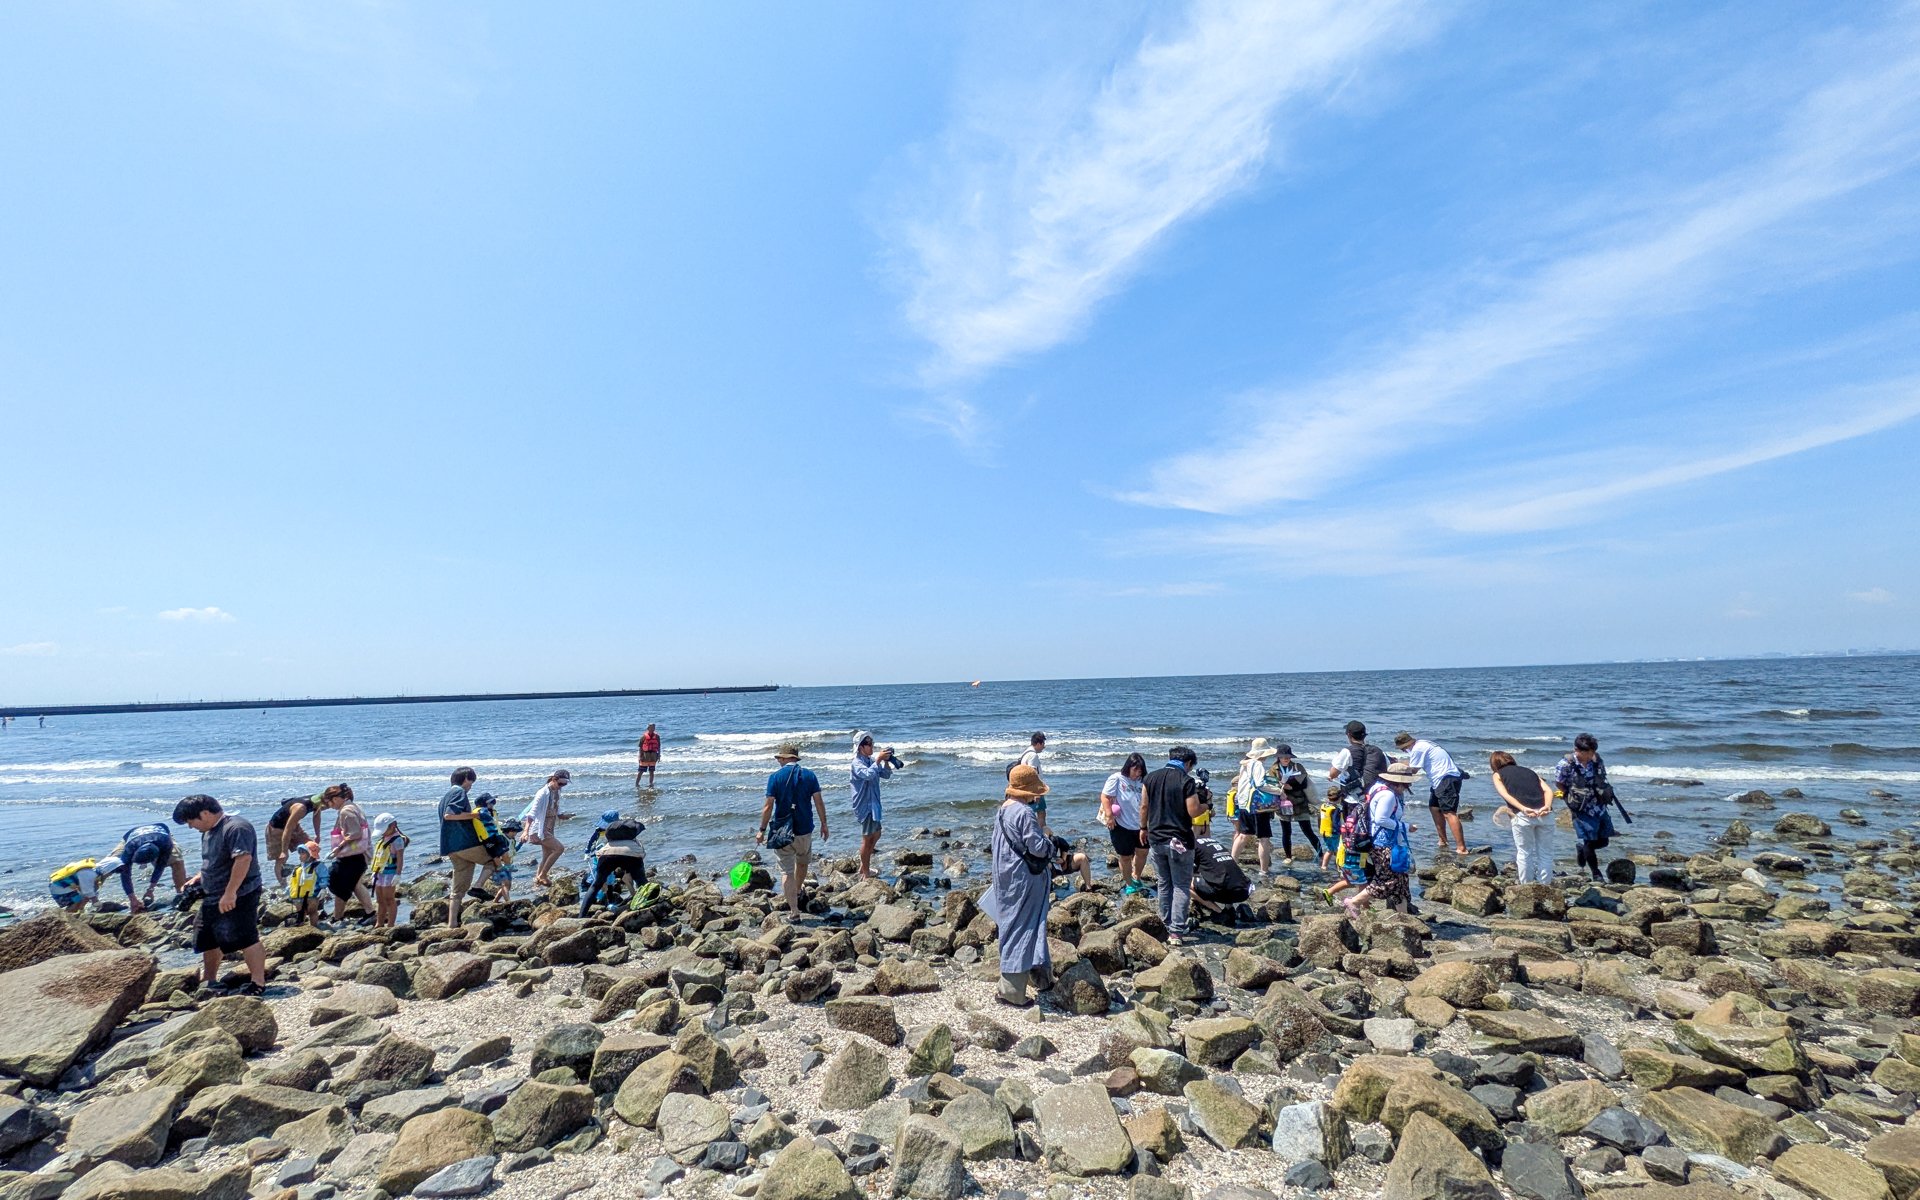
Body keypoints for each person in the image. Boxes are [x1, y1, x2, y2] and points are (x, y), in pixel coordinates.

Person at [172, 794, 266, 995]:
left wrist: (230, 893)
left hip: (241, 893)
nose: (190, 826)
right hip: (213, 894)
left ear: (205, 813)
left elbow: (243, 860)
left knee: (246, 937)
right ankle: (210, 979)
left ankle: (258, 983)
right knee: (208, 937)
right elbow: (215, 860)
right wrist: (198, 877)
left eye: (191, 821)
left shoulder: (236, 828)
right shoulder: (208, 831)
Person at [991, 764, 1056, 1006]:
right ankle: (1013, 992)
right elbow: (1037, 848)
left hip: (1005, 875)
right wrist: (1051, 844)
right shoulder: (1025, 812)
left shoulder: (1003, 809)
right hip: (1024, 877)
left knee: (1013, 923)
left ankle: (1042, 977)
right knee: (1023, 926)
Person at [1342, 761, 1419, 922]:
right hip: (1383, 844)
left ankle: (1404, 918)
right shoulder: (1388, 795)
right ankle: (1354, 901)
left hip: (1385, 842)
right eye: (1406, 784)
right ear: (1399, 782)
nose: (1408, 787)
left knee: (1401, 881)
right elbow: (1381, 819)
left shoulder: (1377, 787)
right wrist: (1406, 827)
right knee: (1387, 881)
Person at [758, 743, 829, 918]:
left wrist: (762, 830)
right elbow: (819, 802)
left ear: (784, 759)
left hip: (782, 830)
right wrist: (824, 824)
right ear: (795, 759)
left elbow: (768, 806)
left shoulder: (775, 777)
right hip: (804, 829)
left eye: (779, 758)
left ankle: (794, 911)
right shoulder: (810, 776)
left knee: (787, 872)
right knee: (803, 862)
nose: (778, 761)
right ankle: (797, 889)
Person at [1142, 747, 1204, 947]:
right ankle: (1176, 931)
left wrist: (1143, 828)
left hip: (1156, 838)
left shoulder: (1150, 778)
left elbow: (1144, 806)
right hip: (1179, 841)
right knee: (1181, 885)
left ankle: (1165, 923)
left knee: (1163, 883)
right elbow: (1193, 811)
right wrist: (1207, 806)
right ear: (1188, 763)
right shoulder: (1186, 781)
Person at [1395, 731, 1469, 856]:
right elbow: (1415, 764)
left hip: (1446, 779)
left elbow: (1414, 770)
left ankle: (1461, 848)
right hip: (1441, 780)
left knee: (1449, 813)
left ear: (1408, 744)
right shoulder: (1423, 744)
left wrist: (1396, 765)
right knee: (1434, 808)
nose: (1403, 751)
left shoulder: (1418, 748)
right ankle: (1443, 840)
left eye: (1403, 748)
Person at [1556, 733, 1615, 881]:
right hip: (1581, 807)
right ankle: (1596, 873)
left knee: (1604, 840)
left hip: (1599, 805)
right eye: (1587, 752)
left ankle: (1582, 850)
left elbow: (1602, 778)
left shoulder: (1597, 760)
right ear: (1577, 749)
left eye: (1592, 751)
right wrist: (1570, 796)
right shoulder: (1566, 764)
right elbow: (1559, 783)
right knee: (1589, 840)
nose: (1590, 755)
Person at [440, 767, 494, 926]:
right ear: (465, 779)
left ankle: (452, 924)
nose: (471, 786)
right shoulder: (459, 792)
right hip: (465, 843)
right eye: (471, 782)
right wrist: (476, 815)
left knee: (458, 890)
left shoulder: (444, 797)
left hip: (451, 847)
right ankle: (478, 887)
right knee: (494, 860)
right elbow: (449, 815)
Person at [1490, 751, 1554, 883]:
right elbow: (1548, 790)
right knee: (1545, 853)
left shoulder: (1498, 775)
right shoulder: (1530, 771)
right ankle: (1544, 885)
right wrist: (1547, 806)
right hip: (1545, 814)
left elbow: (1505, 795)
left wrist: (1523, 808)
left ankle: (1526, 885)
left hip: (1523, 815)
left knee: (1524, 853)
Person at [102, 821, 188, 912]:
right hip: (132, 837)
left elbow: (160, 866)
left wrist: (150, 889)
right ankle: (93, 898)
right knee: (109, 865)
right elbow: (125, 874)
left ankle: (181, 894)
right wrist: (132, 898)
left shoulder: (166, 843)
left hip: (161, 834)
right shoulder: (129, 849)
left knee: (176, 861)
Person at [1228, 739, 1281, 880]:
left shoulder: (1245, 763)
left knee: (1243, 835)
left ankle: (1232, 864)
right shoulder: (1257, 765)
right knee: (1264, 839)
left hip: (1244, 804)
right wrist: (1278, 791)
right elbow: (1260, 784)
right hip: (1257, 807)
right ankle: (1264, 871)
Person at [321, 786, 374, 922]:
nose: (329, 806)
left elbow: (355, 834)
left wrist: (338, 847)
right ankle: (369, 913)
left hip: (354, 854)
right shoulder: (353, 806)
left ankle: (338, 917)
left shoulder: (346, 811)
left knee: (338, 882)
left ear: (335, 799)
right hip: (362, 853)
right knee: (355, 884)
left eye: (329, 802)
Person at [1100, 753, 1150, 895]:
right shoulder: (1117, 778)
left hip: (1141, 825)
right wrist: (1109, 816)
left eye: (1140, 770)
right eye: (1135, 770)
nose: (1137, 773)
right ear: (1128, 767)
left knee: (1143, 852)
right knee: (1125, 856)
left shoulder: (1144, 781)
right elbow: (1105, 797)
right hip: (1122, 824)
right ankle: (1128, 883)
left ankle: (1136, 876)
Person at [849, 732, 896, 880]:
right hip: (864, 805)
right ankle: (866, 873)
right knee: (867, 838)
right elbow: (868, 775)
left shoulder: (871, 761)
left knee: (877, 834)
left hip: (874, 803)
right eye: (868, 744)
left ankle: (864, 865)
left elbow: (886, 775)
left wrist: (886, 762)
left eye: (872, 743)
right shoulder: (857, 763)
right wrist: (878, 760)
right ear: (860, 747)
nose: (872, 746)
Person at [580, 814, 647, 916]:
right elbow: (641, 855)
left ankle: (581, 916)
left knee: (596, 885)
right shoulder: (634, 840)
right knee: (642, 883)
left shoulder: (608, 839)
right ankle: (647, 905)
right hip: (630, 854)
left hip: (607, 854)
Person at [1272, 745, 1323, 867]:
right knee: (1286, 831)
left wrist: (1291, 787)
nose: (1286, 759)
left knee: (1307, 830)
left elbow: (1304, 784)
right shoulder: (1273, 769)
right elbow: (1271, 784)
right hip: (1284, 802)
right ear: (1279, 757)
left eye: (1288, 757)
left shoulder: (1297, 766)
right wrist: (1280, 786)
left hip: (1300, 802)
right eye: (1283, 757)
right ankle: (1288, 857)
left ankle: (1321, 854)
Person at [523, 769, 574, 888]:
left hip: (550, 826)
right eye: (560, 783)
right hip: (540, 828)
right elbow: (532, 813)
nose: (561, 786)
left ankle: (537, 884)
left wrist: (563, 816)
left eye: (564, 784)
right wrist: (525, 831)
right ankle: (543, 876)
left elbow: (556, 807)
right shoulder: (542, 793)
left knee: (547, 855)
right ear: (553, 779)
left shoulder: (557, 791)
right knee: (559, 849)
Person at [265, 791, 326, 886]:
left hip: (293, 826)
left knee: (311, 847)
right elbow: (287, 830)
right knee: (281, 858)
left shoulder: (317, 802)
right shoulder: (301, 808)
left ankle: (312, 876)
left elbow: (316, 816)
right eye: (328, 806)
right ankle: (284, 886)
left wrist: (317, 835)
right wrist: (284, 851)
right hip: (276, 828)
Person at [1329, 721, 1388, 796]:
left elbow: (1333, 774)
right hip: (1373, 795)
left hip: (1353, 797)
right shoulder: (1378, 751)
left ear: (1349, 735)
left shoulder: (1347, 751)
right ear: (1364, 735)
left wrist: (1331, 776)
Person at [370, 814, 408, 928]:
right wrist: (374, 872)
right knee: (380, 900)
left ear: (392, 825)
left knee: (389, 899)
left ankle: (390, 924)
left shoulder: (397, 840)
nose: (382, 833)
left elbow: (400, 858)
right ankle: (379, 923)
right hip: (379, 873)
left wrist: (398, 874)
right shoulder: (383, 839)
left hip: (390, 874)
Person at [288, 842, 322, 925]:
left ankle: (314, 927)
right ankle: (301, 927)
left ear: (310, 854)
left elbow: (324, 877)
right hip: (299, 895)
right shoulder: (299, 868)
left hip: (313, 894)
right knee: (300, 912)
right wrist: (289, 890)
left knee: (312, 911)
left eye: (303, 854)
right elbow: (293, 881)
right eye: (299, 854)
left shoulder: (317, 866)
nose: (300, 856)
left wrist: (323, 888)